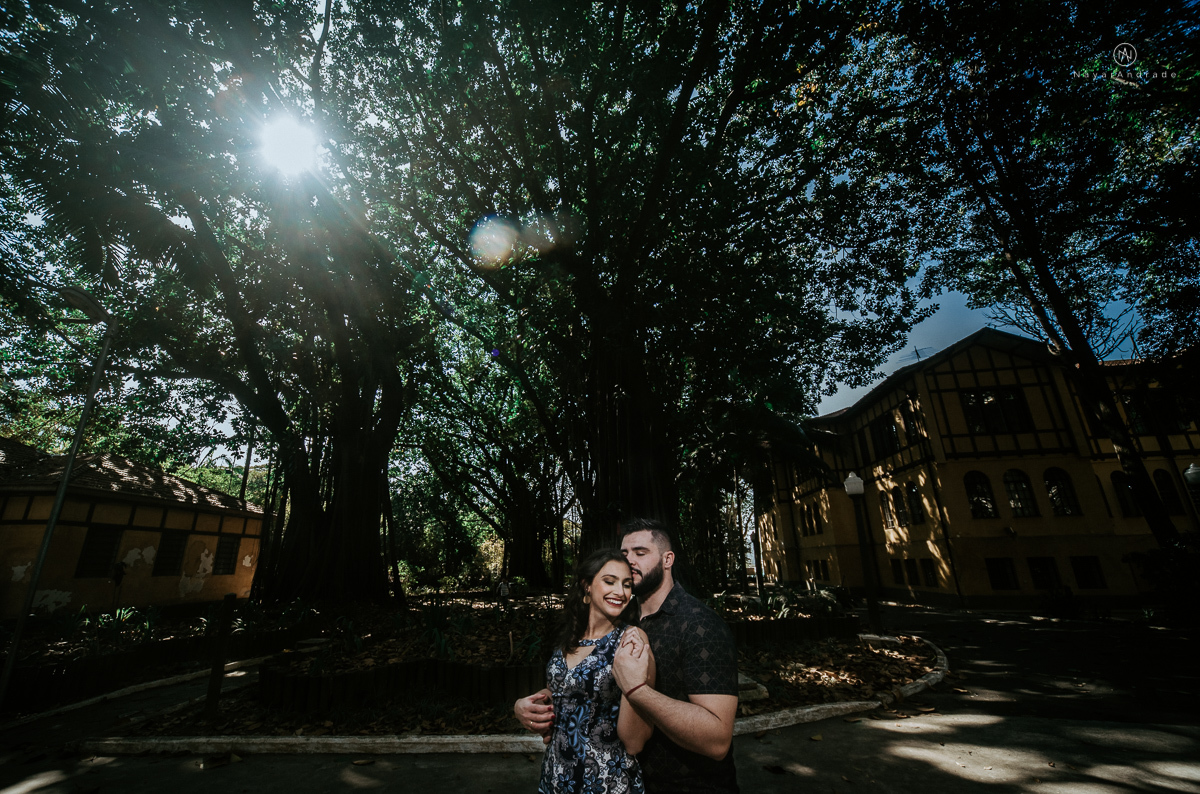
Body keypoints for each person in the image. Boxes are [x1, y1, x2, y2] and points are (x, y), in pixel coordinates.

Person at [517, 519, 739, 793]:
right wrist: (531, 707)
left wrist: (636, 689)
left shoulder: (699, 625)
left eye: (640, 552)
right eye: (625, 554)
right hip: (623, 778)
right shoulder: (621, 619)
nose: (630, 561)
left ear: (668, 559)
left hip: (689, 786)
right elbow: (587, 687)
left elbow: (717, 742)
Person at [518, 549, 655, 794]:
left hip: (607, 780)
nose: (620, 592)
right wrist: (523, 707)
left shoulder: (631, 639)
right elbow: (564, 692)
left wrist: (633, 679)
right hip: (556, 776)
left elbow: (635, 742)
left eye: (626, 584)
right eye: (609, 581)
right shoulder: (569, 638)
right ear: (587, 586)